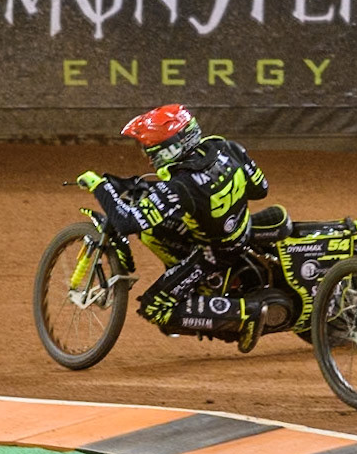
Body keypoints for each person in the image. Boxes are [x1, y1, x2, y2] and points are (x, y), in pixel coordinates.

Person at [75, 103, 274, 353]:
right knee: (159, 230)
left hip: (214, 252)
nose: (149, 157)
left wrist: (100, 187)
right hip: (241, 228)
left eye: (152, 151)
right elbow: (260, 189)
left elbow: (126, 222)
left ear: (171, 149)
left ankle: (245, 314)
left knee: (154, 308)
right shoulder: (224, 146)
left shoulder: (181, 186)